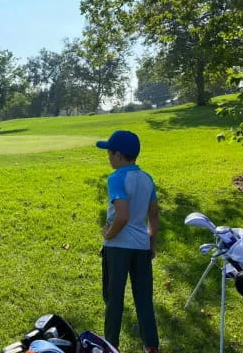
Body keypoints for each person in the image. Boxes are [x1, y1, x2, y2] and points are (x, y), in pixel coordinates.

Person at [95, 130, 159, 353]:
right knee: (144, 300)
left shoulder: (117, 177)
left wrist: (109, 234)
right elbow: (154, 214)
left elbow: (122, 215)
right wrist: (152, 242)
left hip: (118, 249)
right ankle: (151, 345)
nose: (108, 157)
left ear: (119, 155)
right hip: (141, 247)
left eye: (110, 153)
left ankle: (111, 344)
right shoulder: (147, 178)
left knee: (114, 300)